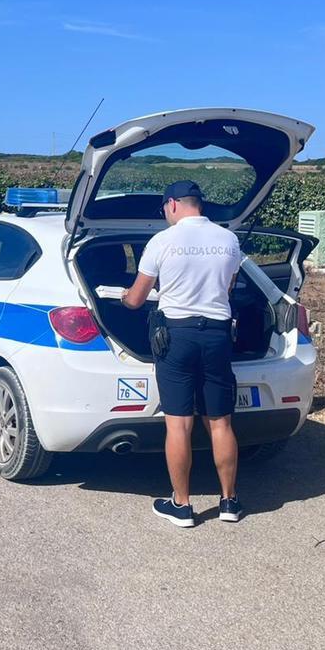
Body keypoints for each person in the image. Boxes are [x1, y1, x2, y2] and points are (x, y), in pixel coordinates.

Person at [120, 180, 245, 528]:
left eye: (164, 209)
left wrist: (123, 297)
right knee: (220, 422)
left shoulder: (162, 241)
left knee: (179, 424)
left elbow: (136, 299)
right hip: (218, 335)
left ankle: (182, 505)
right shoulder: (228, 239)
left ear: (172, 204)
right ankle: (229, 503)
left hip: (177, 336)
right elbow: (229, 286)